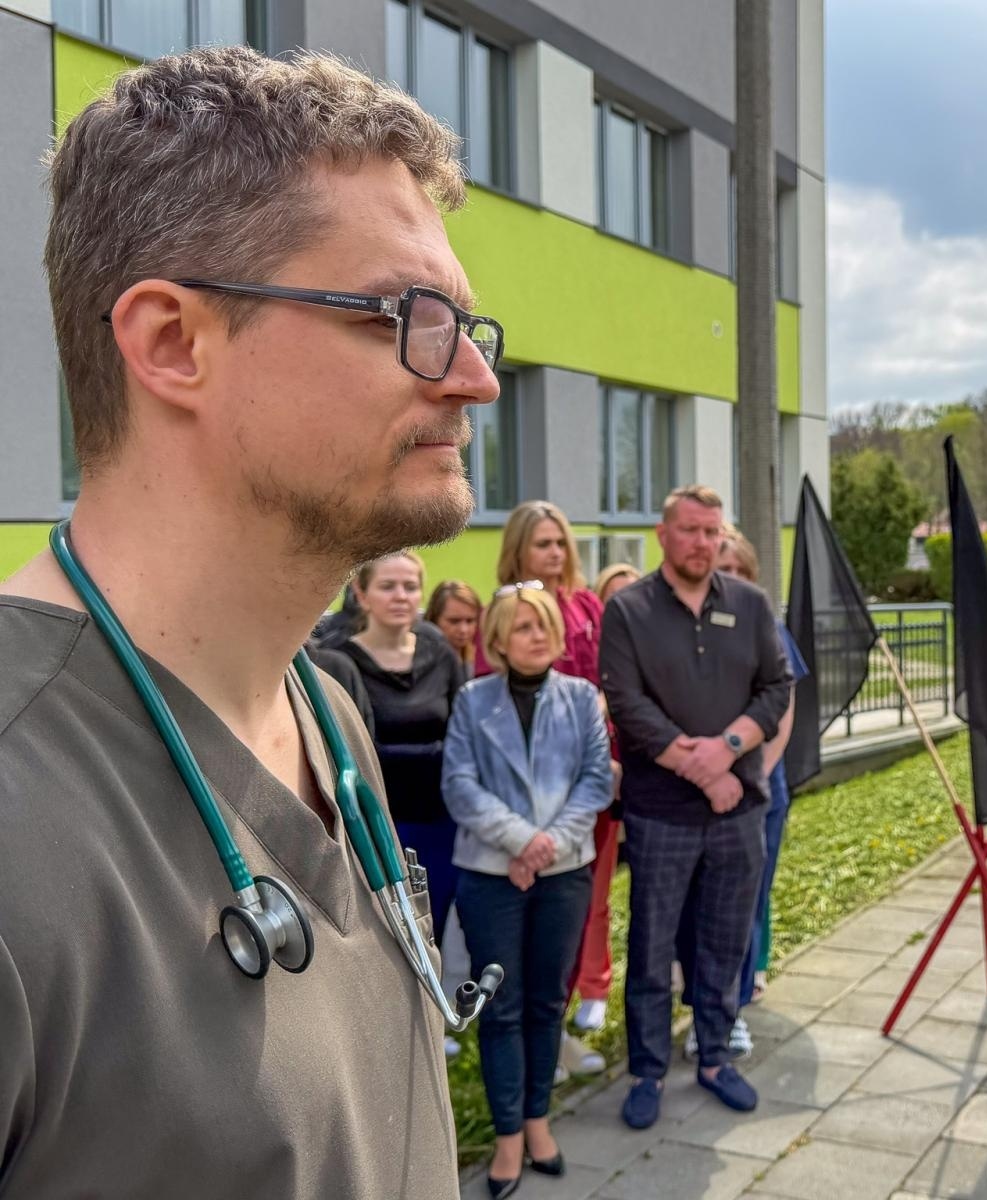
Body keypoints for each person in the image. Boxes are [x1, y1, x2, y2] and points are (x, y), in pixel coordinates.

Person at [0, 46, 501, 1197]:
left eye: (472, 327)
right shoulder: (21, 799)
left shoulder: (328, 715)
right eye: (411, 317)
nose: (472, 377)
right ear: (173, 341)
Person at [600, 485, 792, 1130]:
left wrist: (730, 747)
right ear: (663, 533)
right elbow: (627, 704)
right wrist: (704, 771)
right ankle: (648, 1070)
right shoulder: (628, 610)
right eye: (690, 530)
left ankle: (715, 1057)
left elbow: (776, 687)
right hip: (661, 814)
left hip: (740, 815)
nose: (702, 543)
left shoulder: (751, 603)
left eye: (712, 532)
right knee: (653, 947)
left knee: (725, 942)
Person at [443, 582, 611, 1199]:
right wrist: (520, 843)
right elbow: (460, 785)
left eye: (543, 625)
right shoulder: (471, 700)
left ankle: (540, 1123)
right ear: (498, 640)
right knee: (502, 1009)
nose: (535, 636)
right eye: (521, 627)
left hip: (564, 875)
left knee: (546, 1004)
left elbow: (595, 782)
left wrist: (545, 849)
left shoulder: (583, 698)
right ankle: (508, 1136)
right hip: (492, 876)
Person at [679, 526, 807, 1060]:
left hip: (756, 792)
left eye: (736, 570)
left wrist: (748, 774)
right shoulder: (687, 629)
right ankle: (698, 1006)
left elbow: (783, 712)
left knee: (745, 900)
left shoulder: (768, 628)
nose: (727, 578)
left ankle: (730, 1010)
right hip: (697, 791)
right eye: (719, 569)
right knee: (696, 902)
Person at [499, 501, 615, 1056]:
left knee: (587, 900)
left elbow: (607, 682)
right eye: (542, 543)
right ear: (518, 549)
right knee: (539, 914)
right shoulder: (507, 607)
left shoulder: (588, 603)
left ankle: (568, 1014)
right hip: (535, 787)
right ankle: (537, 1031)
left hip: (594, 776)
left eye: (560, 542)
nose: (554, 553)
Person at [323, 550, 466, 938]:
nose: (401, 596)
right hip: (377, 823)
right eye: (388, 586)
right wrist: (434, 752)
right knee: (388, 933)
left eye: (410, 586)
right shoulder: (338, 663)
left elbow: (465, 734)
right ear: (362, 593)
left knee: (434, 929)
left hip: (441, 820)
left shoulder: (441, 655)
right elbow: (348, 749)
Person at [428, 577, 494, 677]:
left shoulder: (484, 656)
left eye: (470, 621)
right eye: (454, 621)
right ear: (434, 619)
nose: (463, 629)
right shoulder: (422, 662)